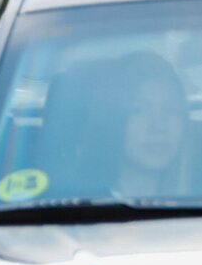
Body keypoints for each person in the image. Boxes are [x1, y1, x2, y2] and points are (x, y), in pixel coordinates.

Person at [41, 51, 190, 199]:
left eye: (171, 110)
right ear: (112, 120)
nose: (158, 126)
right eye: (137, 110)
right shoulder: (69, 204)